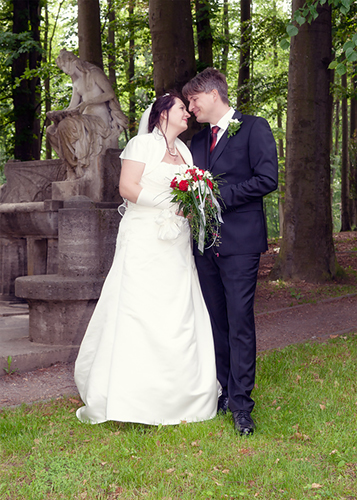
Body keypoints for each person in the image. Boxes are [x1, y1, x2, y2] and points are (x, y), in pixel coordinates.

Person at [74, 92, 218, 425]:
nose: (188, 113)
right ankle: (132, 395)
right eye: (183, 108)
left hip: (177, 239)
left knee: (178, 308)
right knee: (140, 307)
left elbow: (190, 189)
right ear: (163, 114)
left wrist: (195, 203)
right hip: (145, 238)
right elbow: (128, 188)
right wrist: (171, 204)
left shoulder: (183, 150)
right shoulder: (141, 145)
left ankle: (183, 392)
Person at [182, 68, 278, 435]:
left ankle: (242, 405)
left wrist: (217, 198)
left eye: (194, 100)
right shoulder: (196, 142)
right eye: (188, 103)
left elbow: (267, 179)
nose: (191, 108)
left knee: (240, 322)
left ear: (212, 94)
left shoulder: (254, 127)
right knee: (215, 323)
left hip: (240, 243)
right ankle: (222, 391)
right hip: (203, 245)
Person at [47, 49, 128, 179]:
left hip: (99, 119)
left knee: (66, 126)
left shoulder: (94, 73)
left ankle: (78, 166)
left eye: (64, 66)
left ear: (72, 61)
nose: (64, 70)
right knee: (51, 130)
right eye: (61, 68)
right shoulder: (76, 82)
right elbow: (72, 106)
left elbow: (110, 93)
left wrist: (87, 103)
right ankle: (72, 166)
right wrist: (58, 113)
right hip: (84, 118)